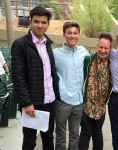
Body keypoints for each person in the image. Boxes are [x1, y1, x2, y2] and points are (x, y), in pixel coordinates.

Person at [11, 6, 60, 150]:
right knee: (30, 141)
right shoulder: (20, 44)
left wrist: (56, 96)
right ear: (30, 21)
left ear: (48, 24)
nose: (40, 25)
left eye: (43, 22)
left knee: (48, 137)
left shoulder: (47, 43)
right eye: (36, 22)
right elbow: (17, 76)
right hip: (31, 103)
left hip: (49, 101)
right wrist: (27, 103)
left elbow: (49, 73)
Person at [53, 22, 89, 150]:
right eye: (69, 33)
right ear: (64, 34)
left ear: (79, 35)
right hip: (62, 102)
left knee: (75, 136)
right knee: (61, 136)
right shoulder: (55, 54)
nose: (72, 36)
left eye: (75, 33)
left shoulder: (84, 52)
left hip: (78, 102)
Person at [78, 32, 113, 150]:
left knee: (98, 134)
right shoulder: (88, 60)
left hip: (101, 107)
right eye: (101, 47)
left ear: (110, 49)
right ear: (97, 47)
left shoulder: (112, 63)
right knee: (85, 133)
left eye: (106, 48)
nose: (103, 50)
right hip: (86, 106)